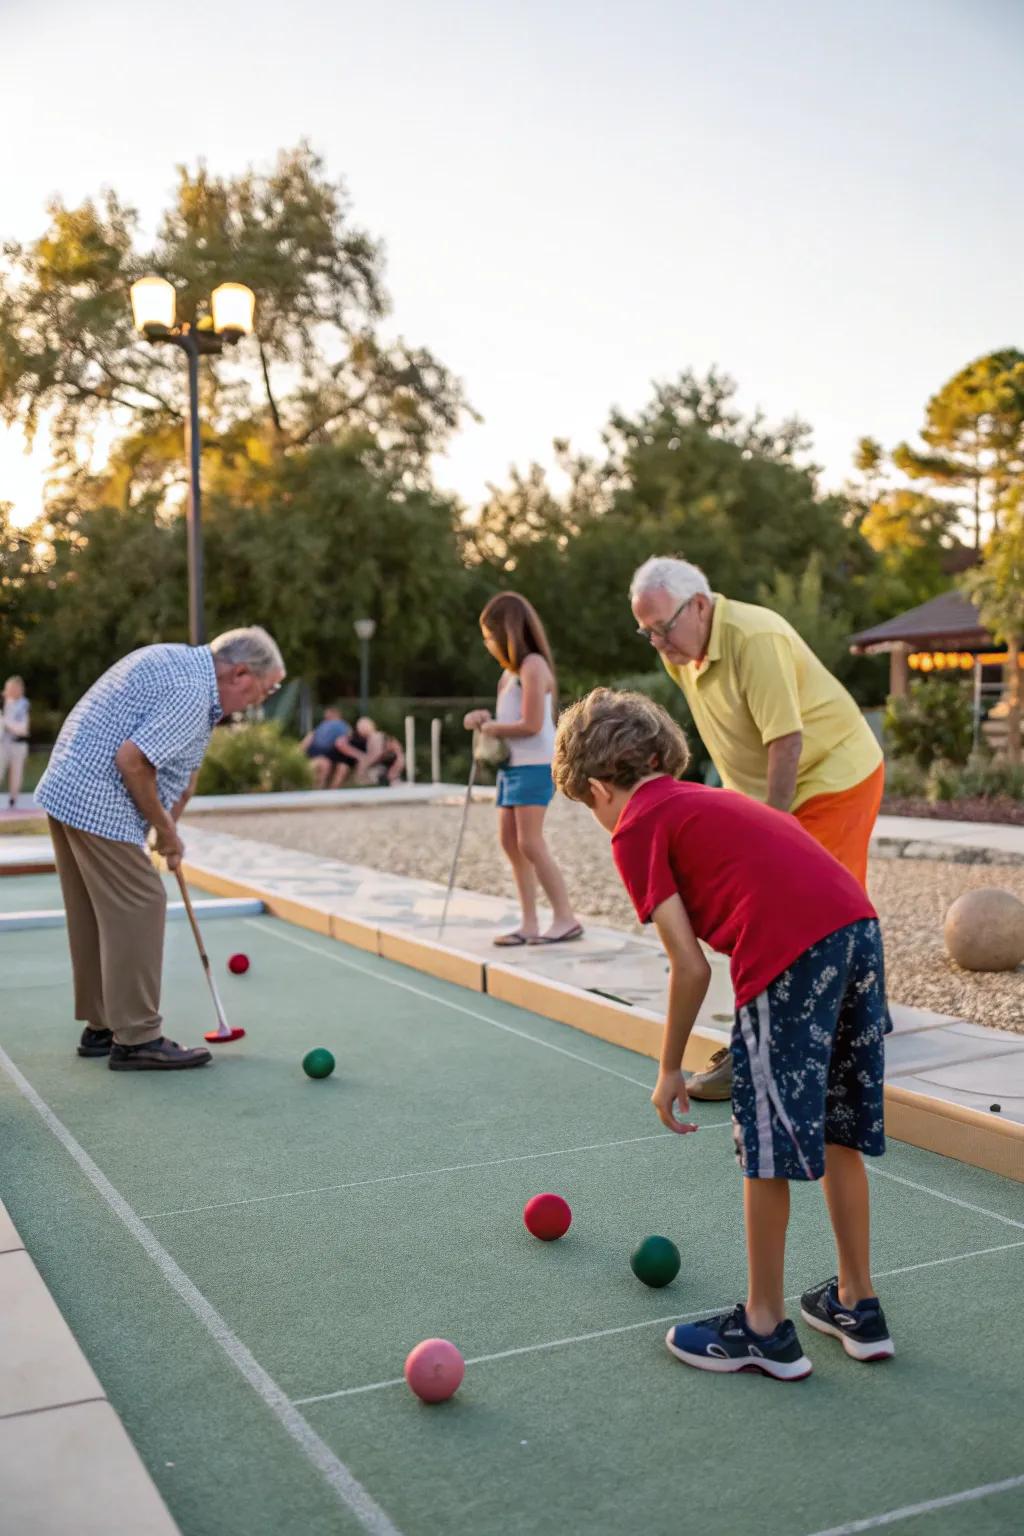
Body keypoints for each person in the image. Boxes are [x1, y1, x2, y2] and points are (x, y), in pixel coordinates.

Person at [553, 687, 894, 1380]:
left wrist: (668, 1067)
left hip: (790, 951)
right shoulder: (703, 798)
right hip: (858, 932)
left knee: (764, 1140)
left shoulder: (637, 825)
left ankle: (765, 1328)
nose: (600, 820)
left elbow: (689, 966)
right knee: (835, 1129)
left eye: (590, 808)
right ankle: (858, 1305)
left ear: (596, 788)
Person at [630, 556, 884, 1102]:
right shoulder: (684, 652)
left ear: (699, 605)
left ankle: (757, 1048)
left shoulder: (754, 637)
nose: (658, 643)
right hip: (769, 789)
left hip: (833, 773)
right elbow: (720, 735)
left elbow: (786, 741)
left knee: (804, 909)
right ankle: (860, 1009)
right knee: (775, 907)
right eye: (646, 632)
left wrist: (773, 833)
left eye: (663, 627)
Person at [36, 627, 285, 1071]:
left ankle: (103, 1025)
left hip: (67, 787)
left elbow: (181, 773)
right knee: (141, 902)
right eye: (264, 691)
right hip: (97, 795)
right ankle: (137, 1038)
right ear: (240, 673)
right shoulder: (193, 691)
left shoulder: (186, 672)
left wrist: (169, 824)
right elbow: (133, 761)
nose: (258, 702)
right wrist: (166, 832)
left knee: (98, 911)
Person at [463, 592, 582, 946]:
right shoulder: (510, 674)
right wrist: (485, 720)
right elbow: (509, 720)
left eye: (490, 635)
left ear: (507, 632)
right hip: (512, 765)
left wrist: (491, 727)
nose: (488, 643)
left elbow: (531, 723)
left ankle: (565, 917)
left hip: (534, 764)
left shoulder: (533, 666)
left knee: (530, 842)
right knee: (510, 843)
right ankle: (528, 922)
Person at [301, 707, 353, 789]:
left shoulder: (341, 725)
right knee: (322, 766)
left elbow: (346, 739)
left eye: (328, 714)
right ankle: (321, 790)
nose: (326, 716)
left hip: (330, 754)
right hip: (322, 755)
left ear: (336, 715)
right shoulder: (322, 726)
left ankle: (325, 791)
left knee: (325, 766)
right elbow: (309, 738)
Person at [1, 675, 31, 809]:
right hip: (2, 744)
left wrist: (6, 723)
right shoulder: (2, 701)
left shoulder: (24, 704)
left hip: (18, 744)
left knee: (16, 775)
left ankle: (13, 802)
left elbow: (23, 729)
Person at [352, 716, 405, 786]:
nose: (359, 731)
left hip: (391, 764)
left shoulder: (375, 737)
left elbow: (377, 755)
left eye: (360, 728)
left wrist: (363, 765)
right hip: (391, 763)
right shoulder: (378, 736)